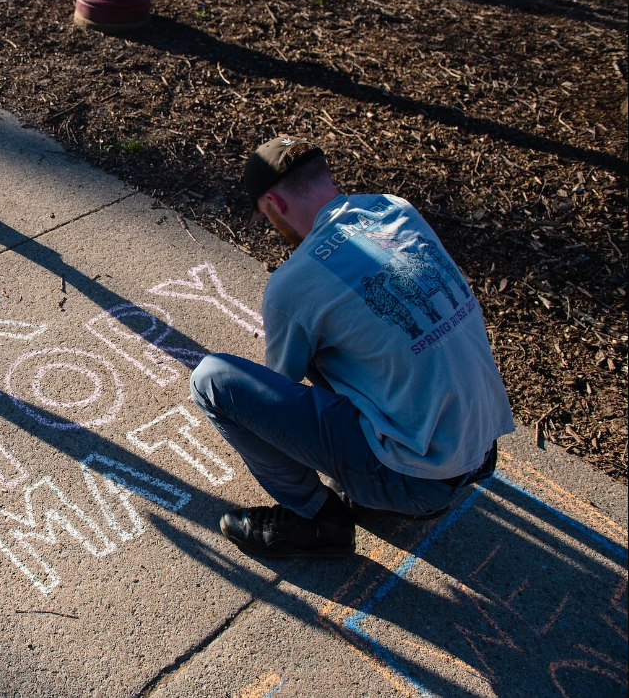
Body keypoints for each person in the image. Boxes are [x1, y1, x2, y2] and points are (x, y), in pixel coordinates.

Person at [190, 137, 514, 559]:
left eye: (267, 216)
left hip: (422, 478)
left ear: (275, 203)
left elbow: (276, 392)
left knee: (212, 382)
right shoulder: (395, 208)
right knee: (352, 336)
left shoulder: (292, 285)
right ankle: (379, 488)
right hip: (481, 442)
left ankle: (317, 520)